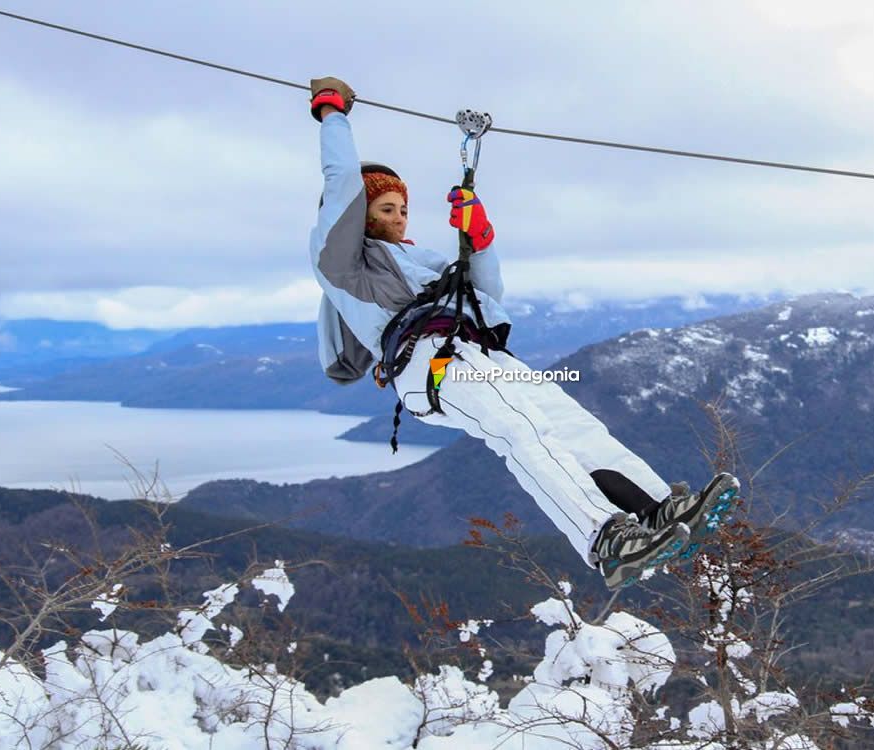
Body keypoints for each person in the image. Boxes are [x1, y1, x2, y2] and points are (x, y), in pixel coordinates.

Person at [307, 76, 733, 589]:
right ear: (360, 217)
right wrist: (334, 115)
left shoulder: (420, 260)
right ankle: (603, 536)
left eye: (402, 208)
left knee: (572, 426)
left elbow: (487, 297)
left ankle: (656, 509)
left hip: (474, 351)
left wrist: (479, 240)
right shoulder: (342, 264)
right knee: (521, 430)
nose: (398, 218)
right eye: (385, 209)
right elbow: (342, 187)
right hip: (426, 363)